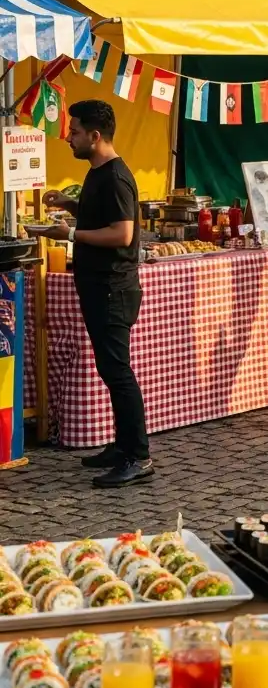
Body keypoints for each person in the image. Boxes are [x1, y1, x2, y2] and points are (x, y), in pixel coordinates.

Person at [40, 100, 151, 488]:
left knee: (118, 371)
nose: (69, 137)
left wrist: (68, 234)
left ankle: (138, 455)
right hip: (97, 286)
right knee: (109, 368)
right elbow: (101, 216)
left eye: (74, 132)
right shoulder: (97, 173)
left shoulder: (116, 176)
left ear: (95, 135)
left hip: (112, 288)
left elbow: (122, 233)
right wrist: (70, 204)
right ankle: (122, 446)